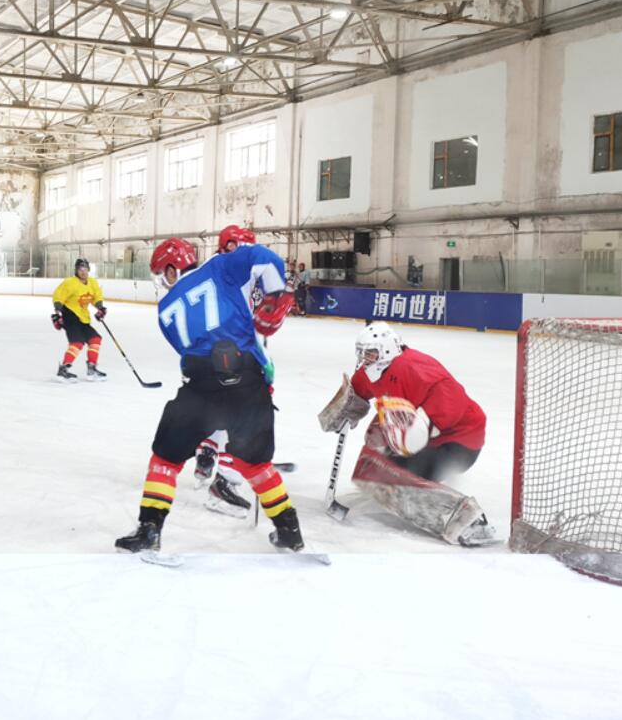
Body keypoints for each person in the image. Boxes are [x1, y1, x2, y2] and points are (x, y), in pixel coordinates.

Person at [115, 237, 302, 556]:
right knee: (255, 463)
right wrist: (276, 291)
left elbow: (185, 350)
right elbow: (265, 257)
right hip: (247, 379)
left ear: (173, 269)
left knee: (166, 459)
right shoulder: (221, 265)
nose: (162, 280)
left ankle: (149, 529)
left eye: (162, 272)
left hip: (200, 384)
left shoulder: (164, 310)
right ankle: (289, 530)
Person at [318, 322, 494, 546]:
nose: (365, 358)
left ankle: (466, 519)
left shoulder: (412, 367)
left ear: (388, 350)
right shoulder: (371, 371)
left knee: (397, 479)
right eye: (363, 353)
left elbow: (453, 396)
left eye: (371, 352)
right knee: (372, 466)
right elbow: (357, 391)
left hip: (459, 441)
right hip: (426, 437)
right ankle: (400, 480)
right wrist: (341, 411)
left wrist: (424, 424)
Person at [193, 224, 266, 518]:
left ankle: (208, 451)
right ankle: (224, 482)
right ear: (229, 248)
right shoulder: (225, 274)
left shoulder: (229, 272)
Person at [50, 258, 107, 382]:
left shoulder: (92, 283)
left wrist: (100, 308)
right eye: (80, 269)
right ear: (76, 270)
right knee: (77, 342)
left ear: (88, 270)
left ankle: (92, 368)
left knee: (95, 339)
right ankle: (63, 369)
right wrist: (57, 314)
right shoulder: (70, 283)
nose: (83, 272)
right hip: (69, 316)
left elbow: (96, 297)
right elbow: (58, 296)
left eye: (85, 269)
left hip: (83, 318)